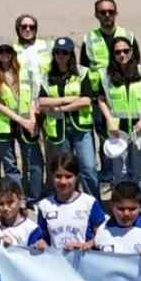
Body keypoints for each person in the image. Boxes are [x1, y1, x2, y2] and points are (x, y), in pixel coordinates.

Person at [82, 0, 139, 181]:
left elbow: (136, 63)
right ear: (96, 15)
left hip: (123, 93)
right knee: (104, 134)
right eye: (103, 12)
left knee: (125, 132)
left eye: (110, 11)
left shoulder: (128, 35)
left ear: (116, 13)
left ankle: (127, 168)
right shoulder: (89, 38)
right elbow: (83, 68)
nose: (107, 15)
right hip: (99, 95)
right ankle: (108, 172)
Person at [39, 38, 100, 198]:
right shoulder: (46, 76)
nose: (61, 56)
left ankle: (93, 202)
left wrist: (61, 108)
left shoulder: (83, 72)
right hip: (58, 129)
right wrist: (67, 99)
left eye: (65, 52)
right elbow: (42, 101)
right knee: (64, 168)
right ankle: (66, 199)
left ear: (71, 54)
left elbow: (86, 99)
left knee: (88, 167)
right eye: (58, 52)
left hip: (80, 127)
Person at [0, 37, 44, 203]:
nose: (4, 54)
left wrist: (32, 120)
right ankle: (18, 199)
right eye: (0, 51)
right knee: (11, 166)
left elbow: (34, 95)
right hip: (4, 124)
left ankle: (35, 198)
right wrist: (22, 120)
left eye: (7, 50)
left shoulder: (25, 71)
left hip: (28, 121)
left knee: (34, 162)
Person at [98, 36, 141, 199]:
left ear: (131, 52)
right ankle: (123, 205)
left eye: (125, 51)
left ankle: (138, 206)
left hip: (139, 129)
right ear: (112, 55)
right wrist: (109, 119)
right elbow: (101, 99)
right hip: (118, 131)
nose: (122, 55)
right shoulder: (106, 76)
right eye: (117, 52)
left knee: (139, 171)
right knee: (120, 172)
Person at [37, 152, 106, 250]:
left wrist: (86, 245)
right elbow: (42, 238)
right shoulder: (44, 205)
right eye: (58, 176)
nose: (63, 182)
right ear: (52, 176)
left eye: (68, 176)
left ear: (76, 177)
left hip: (85, 261)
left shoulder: (89, 203)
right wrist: (40, 243)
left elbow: (103, 236)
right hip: (57, 263)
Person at [93, 181, 141, 256]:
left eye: (132, 209)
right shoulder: (103, 230)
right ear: (112, 206)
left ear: (140, 206)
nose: (126, 214)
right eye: (121, 209)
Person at [0, 178, 47, 249]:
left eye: (10, 202)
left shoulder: (31, 229)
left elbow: (33, 256)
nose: (5, 208)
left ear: (20, 199)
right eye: (0, 203)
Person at [14, 14, 51, 87]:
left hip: (45, 92)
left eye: (32, 27)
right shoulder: (12, 49)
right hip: (23, 92)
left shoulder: (47, 45)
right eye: (24, 27)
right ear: (18, 28)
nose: (28, 29)